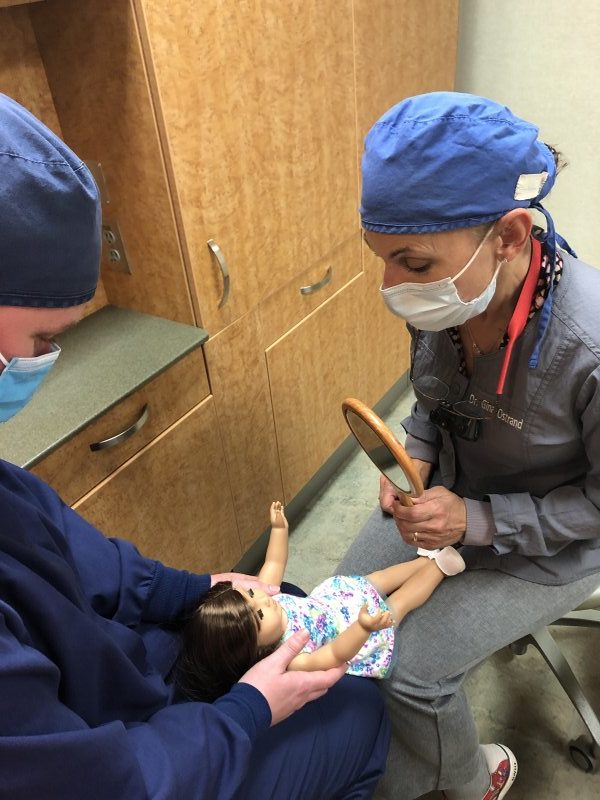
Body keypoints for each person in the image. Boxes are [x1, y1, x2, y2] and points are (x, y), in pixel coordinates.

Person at [0, 93, 390, 799]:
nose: (44, 364)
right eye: (40, 342)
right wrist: (249, 712)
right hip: (121, 768)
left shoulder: (9, 491)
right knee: (358, 708)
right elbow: (103, 785)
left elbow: (86, 559)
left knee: (290, 597)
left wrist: (198, 589)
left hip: (122, 687)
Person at [337, 91, 600, 800]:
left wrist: (477, 523)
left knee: (412, 673)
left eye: (412, 263)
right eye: (382, 260)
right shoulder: (444, 298)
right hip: (447, 498)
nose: (392, 287)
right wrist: (415, 457)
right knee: (342, 612)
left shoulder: (592, 348)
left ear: (511, 234)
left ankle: (471, 777)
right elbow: (432, 401)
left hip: (558, 538)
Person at [176, 502, 466, 701]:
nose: (263, 601)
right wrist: (364, 628)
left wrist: (278, 530)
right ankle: (439, 569)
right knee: (399, 604)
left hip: (338, 598)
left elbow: (274, 562)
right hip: (354, 630)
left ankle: (424, 560)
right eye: (259, 617)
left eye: (250, 595)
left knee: (381, 577)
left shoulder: (269, 596)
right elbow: (333, 656)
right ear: (255, 649)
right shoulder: (289, 660)